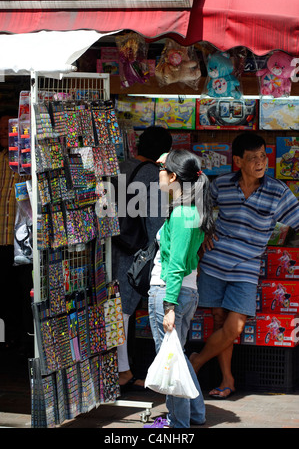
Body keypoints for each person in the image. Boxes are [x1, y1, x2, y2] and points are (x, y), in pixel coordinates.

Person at [190, 132, 299, 399]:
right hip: (215, 262)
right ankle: (227, 379)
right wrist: (205, 232)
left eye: (263, 156)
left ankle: (195, 362)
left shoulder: (278, 191)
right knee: (218, 321)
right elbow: (198, 208)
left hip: (247, 268)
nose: (260, 162)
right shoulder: (222, 184)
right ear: (238, 160)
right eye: (253, 158)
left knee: (235, 326)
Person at [146, 149, 214, 428]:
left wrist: (169, 306)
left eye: (162, 171)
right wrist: (165, 158)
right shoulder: (189, 209)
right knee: (178, 357)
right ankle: (195, 414)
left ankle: (178, 425)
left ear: (173, 177)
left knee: (170, 362)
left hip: (169, 291)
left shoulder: (183, 215)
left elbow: (174, 265)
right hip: (181, 291)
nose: (157, 175)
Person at [112, 125, 172, 389]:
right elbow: (156, 223)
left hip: (110, 247)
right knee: (123, 310)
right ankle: (123, 370)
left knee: (116, 309)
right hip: (135, 253)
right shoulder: (152, 176)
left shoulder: (118, 168)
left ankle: (121, 368)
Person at [0, 114, 33, 349]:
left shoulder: (28, 163)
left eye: (7, 129)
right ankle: (7, 337)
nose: (4, 133)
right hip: (0, 241)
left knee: (25, 292)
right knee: (4, 292)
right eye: (0, 129)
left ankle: (25, 340)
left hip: (24, 244)